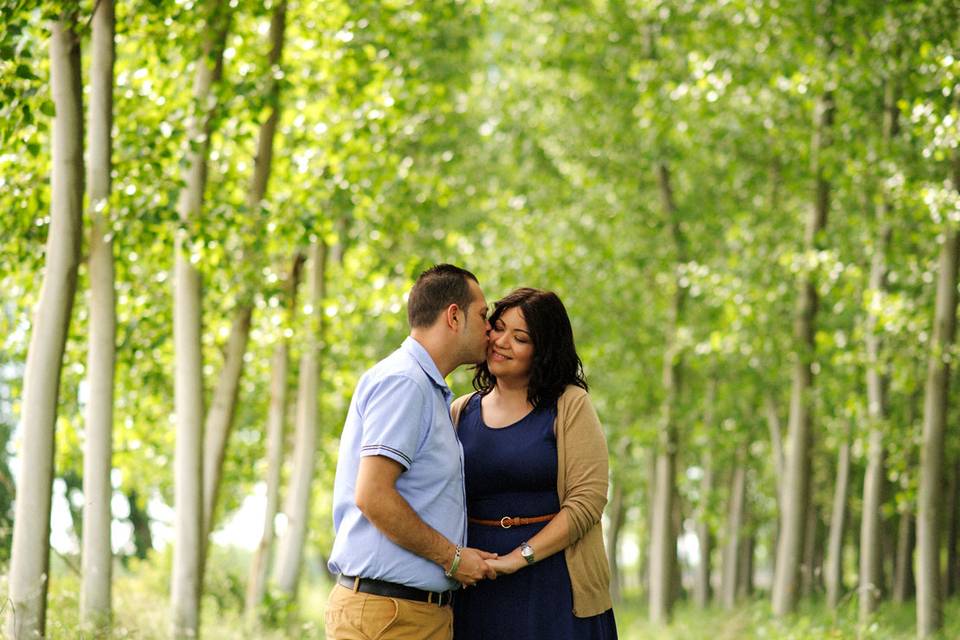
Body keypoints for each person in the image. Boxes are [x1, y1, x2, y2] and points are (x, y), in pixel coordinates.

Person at [326, 264, 498, 640]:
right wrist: (454, 559)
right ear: (454, 315)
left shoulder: (429, 391)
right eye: (484, 315)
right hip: (390, 617)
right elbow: (373, 494)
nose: (490, 328)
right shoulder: (405, 383)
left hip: (408, 614)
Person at [451, 287, 617, 639]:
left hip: (555, 585)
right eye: (497, 327)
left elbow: (588, 501)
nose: (501, 341)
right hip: (476, 585)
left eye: (520, 337)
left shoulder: (570, 404)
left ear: (543, 351)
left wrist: (518, 557)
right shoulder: (459, 411)